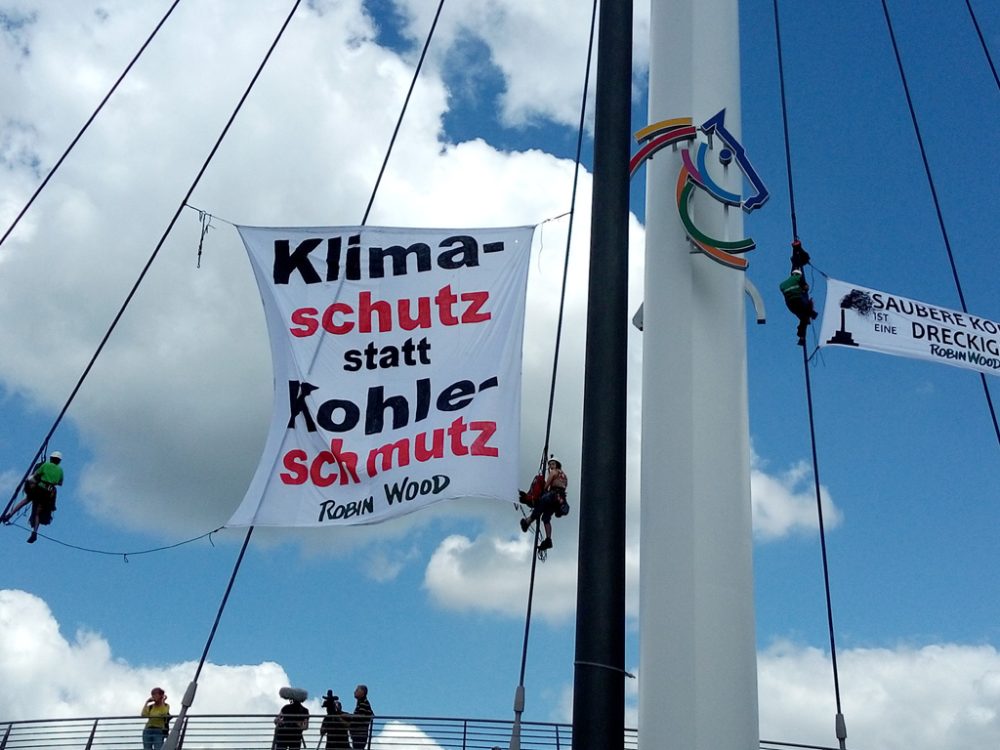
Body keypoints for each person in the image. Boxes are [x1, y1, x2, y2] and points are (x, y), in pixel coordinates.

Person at [1, 451, 64, 543]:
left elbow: (36, 474)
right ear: (59, 461)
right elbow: (60, 483)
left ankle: (9, 515)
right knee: (37, 513)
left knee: (26, 500)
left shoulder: (45, 465)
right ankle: (34, 532)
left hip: (39, 488)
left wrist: (32, 481)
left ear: (51, 458)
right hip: (48, 493)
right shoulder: (60, 470)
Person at [519, 458, 569, 550]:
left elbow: (547, 485)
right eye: (549, 464)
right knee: (546, 518)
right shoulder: (564, 475)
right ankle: (548, 539)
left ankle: (528, 521)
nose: (550, 466)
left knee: (540, 504)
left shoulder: (554, 472)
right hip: (560, 497)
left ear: (557, 465)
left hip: (553, 494)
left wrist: (542, 491)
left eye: (552, 464)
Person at [779, 269, 818, 345]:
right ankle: (812, 315)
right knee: (806, 314)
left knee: (804, 317)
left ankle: (801, 338)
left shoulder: (783, 284)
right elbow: (806, 287)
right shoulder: (799, 278)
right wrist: (804, 289)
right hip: (798, 301)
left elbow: (783, 288)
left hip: (790, 305)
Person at [348, 684, 374, 750]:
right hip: (358, 734)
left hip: (359, 734)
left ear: (362, 693)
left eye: (357, 690)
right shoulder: (361, 703)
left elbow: (362, 716)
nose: (354, 692)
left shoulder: (363, 703)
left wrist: (350, 717)